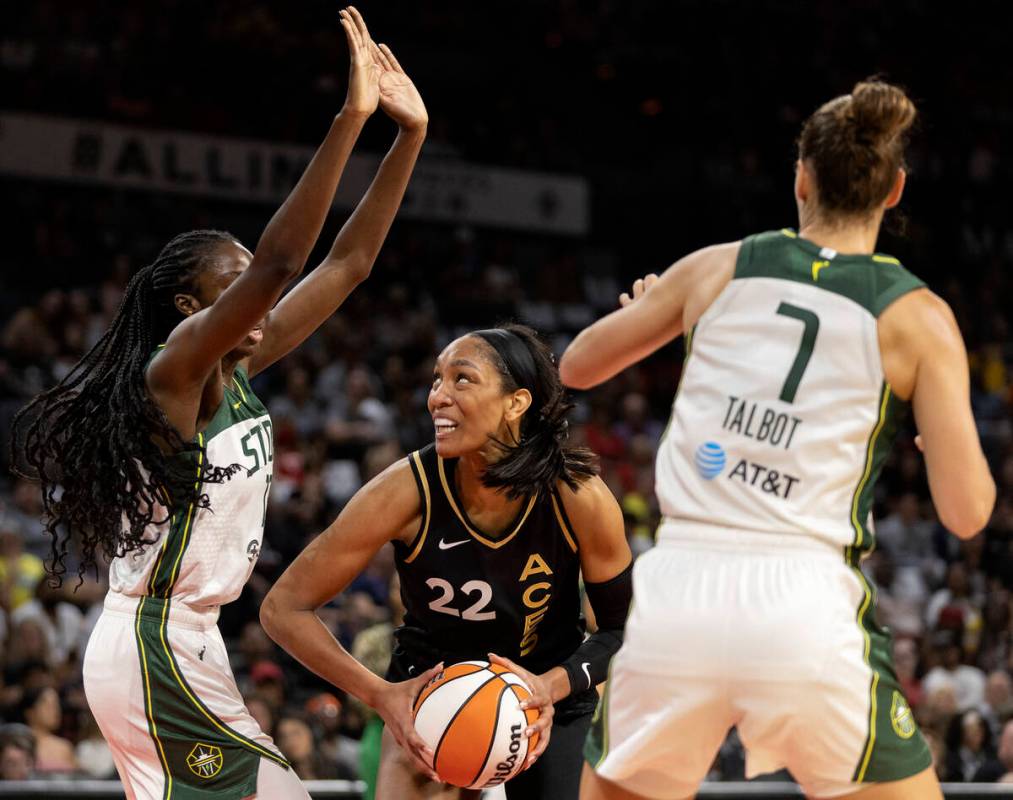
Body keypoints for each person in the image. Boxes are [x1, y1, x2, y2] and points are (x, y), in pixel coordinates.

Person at [10, 8, 427, 798]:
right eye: (228, 291)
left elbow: (351, 263)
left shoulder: (237, 368)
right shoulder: (171, 376)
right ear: (185, 309)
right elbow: (278, 265)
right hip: (155, 642)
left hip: (187, 641)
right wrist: (349, 118)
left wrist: (408, 136)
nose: (255, 306)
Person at [560, 80, 996, 800]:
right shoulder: (918, 316)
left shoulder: (715, 266)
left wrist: (660, 309)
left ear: (800, 178)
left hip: (681, 593)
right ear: (893, 191)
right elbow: (967, 514)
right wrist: (936, 435)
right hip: (806, 604)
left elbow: (576, 365)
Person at [261, 323, 633, 800]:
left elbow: (622, 631)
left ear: (516, 403)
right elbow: (282, 608)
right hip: (430, 699)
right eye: (436, 380)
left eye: (462, 379)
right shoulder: (405, 490)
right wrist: (378, 693)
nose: (438, 396)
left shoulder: (577, 495)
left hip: (548, 697)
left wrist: (552, 685)